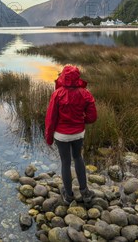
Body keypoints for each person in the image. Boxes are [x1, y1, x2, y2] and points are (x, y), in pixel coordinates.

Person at [45, 65, 97, 205]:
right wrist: (81, 120)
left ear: (64, 77)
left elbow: (51, 119)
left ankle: (68, 196)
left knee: (65, 162)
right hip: (78, 133)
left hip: (61, 135)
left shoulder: (57, 94)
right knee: (78, 157)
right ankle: (85, 192)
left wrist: (49, 138)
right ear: (77, 77)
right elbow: (92, 117)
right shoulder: (85, 93)